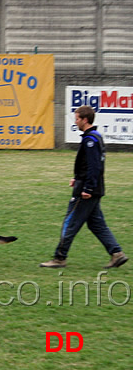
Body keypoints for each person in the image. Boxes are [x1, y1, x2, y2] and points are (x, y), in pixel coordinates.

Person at [40, 106, 128, 269]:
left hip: (87, 191)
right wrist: (78, 177)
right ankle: (117, 253)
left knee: (70, 222)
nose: (76, 121)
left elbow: (95, 167)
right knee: (97, 224)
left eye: (77, 118)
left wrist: (87, 188)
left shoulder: (90, 140)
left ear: (85, 120)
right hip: (93, 187)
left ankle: (60, 258)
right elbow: (89, 165)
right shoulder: (95, 137)